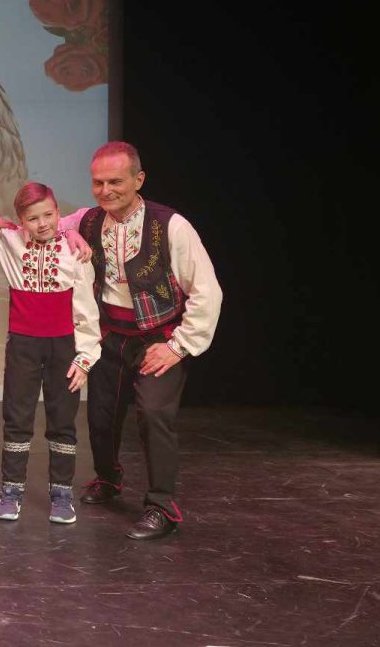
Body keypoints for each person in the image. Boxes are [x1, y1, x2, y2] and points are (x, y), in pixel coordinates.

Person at [64, 141, 222, 540]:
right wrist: (69, 234)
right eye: (98, 182)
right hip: (110, 335)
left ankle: (161, 506)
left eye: (115, 181)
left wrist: (177, 346)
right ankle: (107, 478)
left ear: (139, 179)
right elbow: (48, 222)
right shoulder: (87, 220)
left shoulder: (171, 226)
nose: (105, 191)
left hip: (158, 337)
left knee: (153, 414)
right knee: (100, 415)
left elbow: (207, 292)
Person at [0, 182, 100, 524]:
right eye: (32, 218)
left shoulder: (75, 253)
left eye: (48, 215)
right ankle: (11, 491)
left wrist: (84, 359)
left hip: (64, 348)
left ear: (59, 213)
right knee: (17, 419)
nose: (42, 223)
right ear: (21, 220)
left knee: (62, 421)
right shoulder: (10, 241)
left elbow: (87, 313)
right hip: (23, 346)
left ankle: (61, 494)